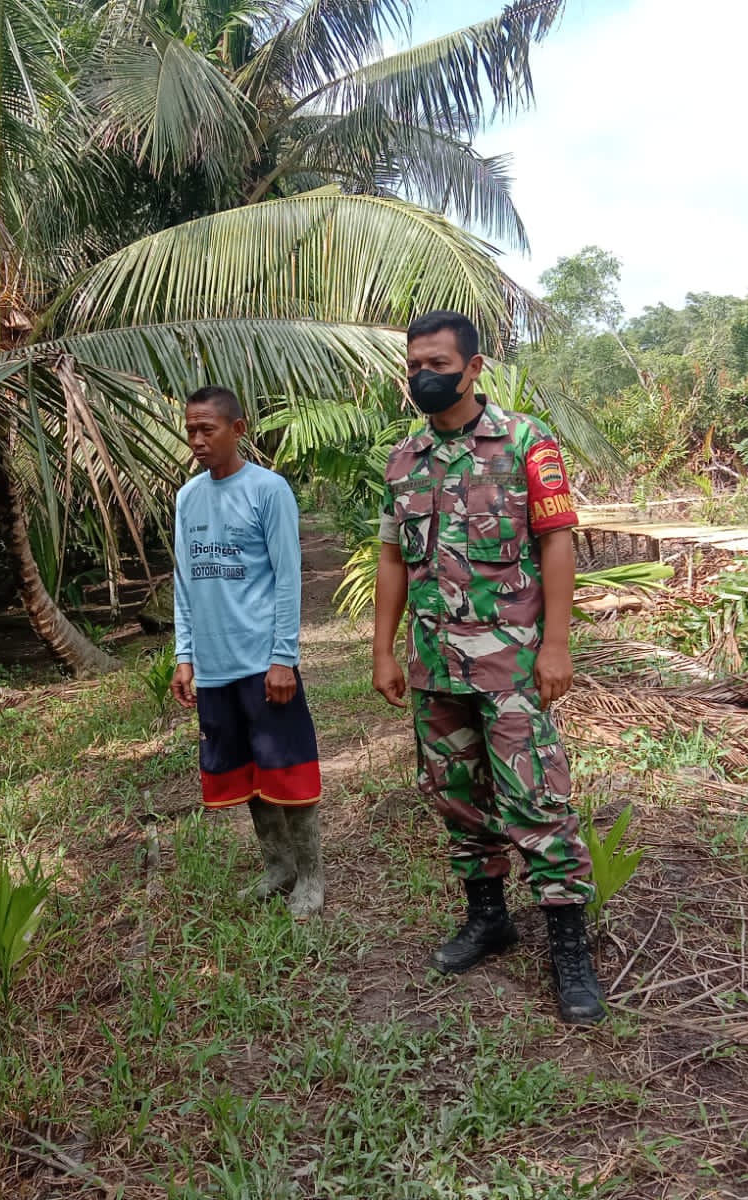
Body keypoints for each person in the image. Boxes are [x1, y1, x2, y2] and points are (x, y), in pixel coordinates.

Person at [370, 311, 605, 1024]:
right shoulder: (404, 460)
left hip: (511, 664)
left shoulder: (527, 442)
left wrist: (557, 644)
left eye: (437, 363)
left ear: (474, 369)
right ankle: (488, 918)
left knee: (537, 800)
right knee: (456, 795)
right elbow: (391, 557)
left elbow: (558, 541)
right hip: (436, 663)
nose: (423, 376)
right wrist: (383, 647)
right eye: (414, 365)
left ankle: (569, 946)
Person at [171, 385, 325, 917]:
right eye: (190, 429)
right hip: (215, 667)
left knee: (287, 768)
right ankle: (276, 865)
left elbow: (287, 577)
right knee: (244, 771)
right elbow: (185, 582)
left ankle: (310, 874)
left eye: (206, 429)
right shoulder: (187, 498)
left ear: (238, 429)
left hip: (263, 662)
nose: (196, 439)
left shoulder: (268, 489)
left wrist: (284, 657)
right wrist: (184, 655)